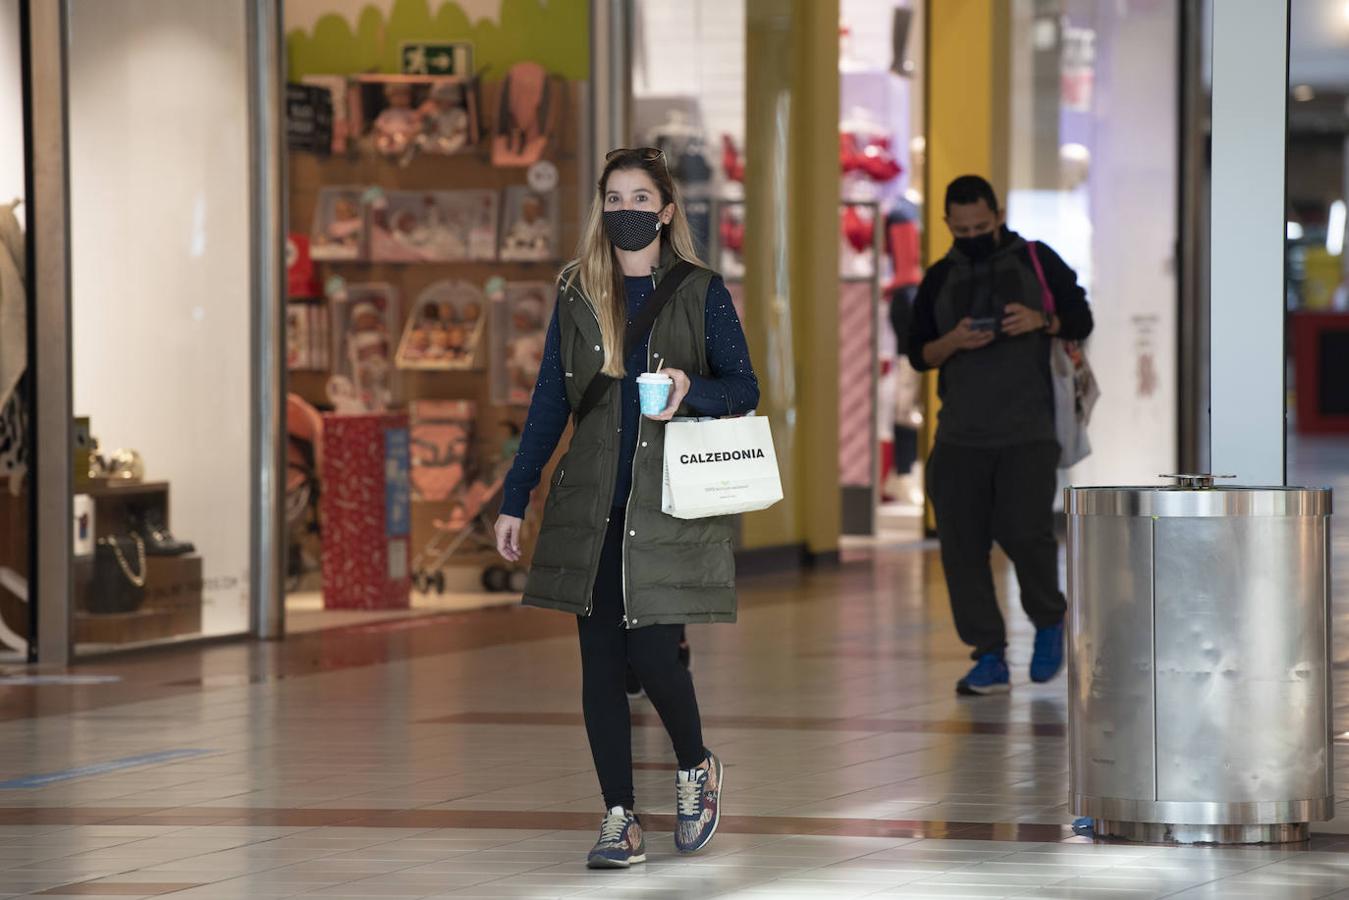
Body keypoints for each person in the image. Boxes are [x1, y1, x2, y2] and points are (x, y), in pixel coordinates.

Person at [494, 147, 759, 869]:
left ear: (667, 211)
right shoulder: (578, 290)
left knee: (656, 655)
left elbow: (743, 388)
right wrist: (515, 497)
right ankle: (618, 816)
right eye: (614, 198)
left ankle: (693, 769)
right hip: (591, 503)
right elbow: (551, 400)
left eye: (640, 198)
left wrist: (688, 387)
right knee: (600, 662)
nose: (626, 211)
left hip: (669, 501)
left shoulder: (699, 292)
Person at [907, 175, 1093, 696]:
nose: (971, 234)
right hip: (960, 435)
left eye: (981, 226)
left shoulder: (1037, 259)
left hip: (1028, 431)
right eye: (961, 228)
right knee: (961, 547)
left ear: (999, 214)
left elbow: (1081, 317)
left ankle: (1049, 620)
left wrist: (1041, 319)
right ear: (947, 224)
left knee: (1024, 531)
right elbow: (919, 353)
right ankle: (988, 654)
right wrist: (954, 341)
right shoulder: (940, 277)